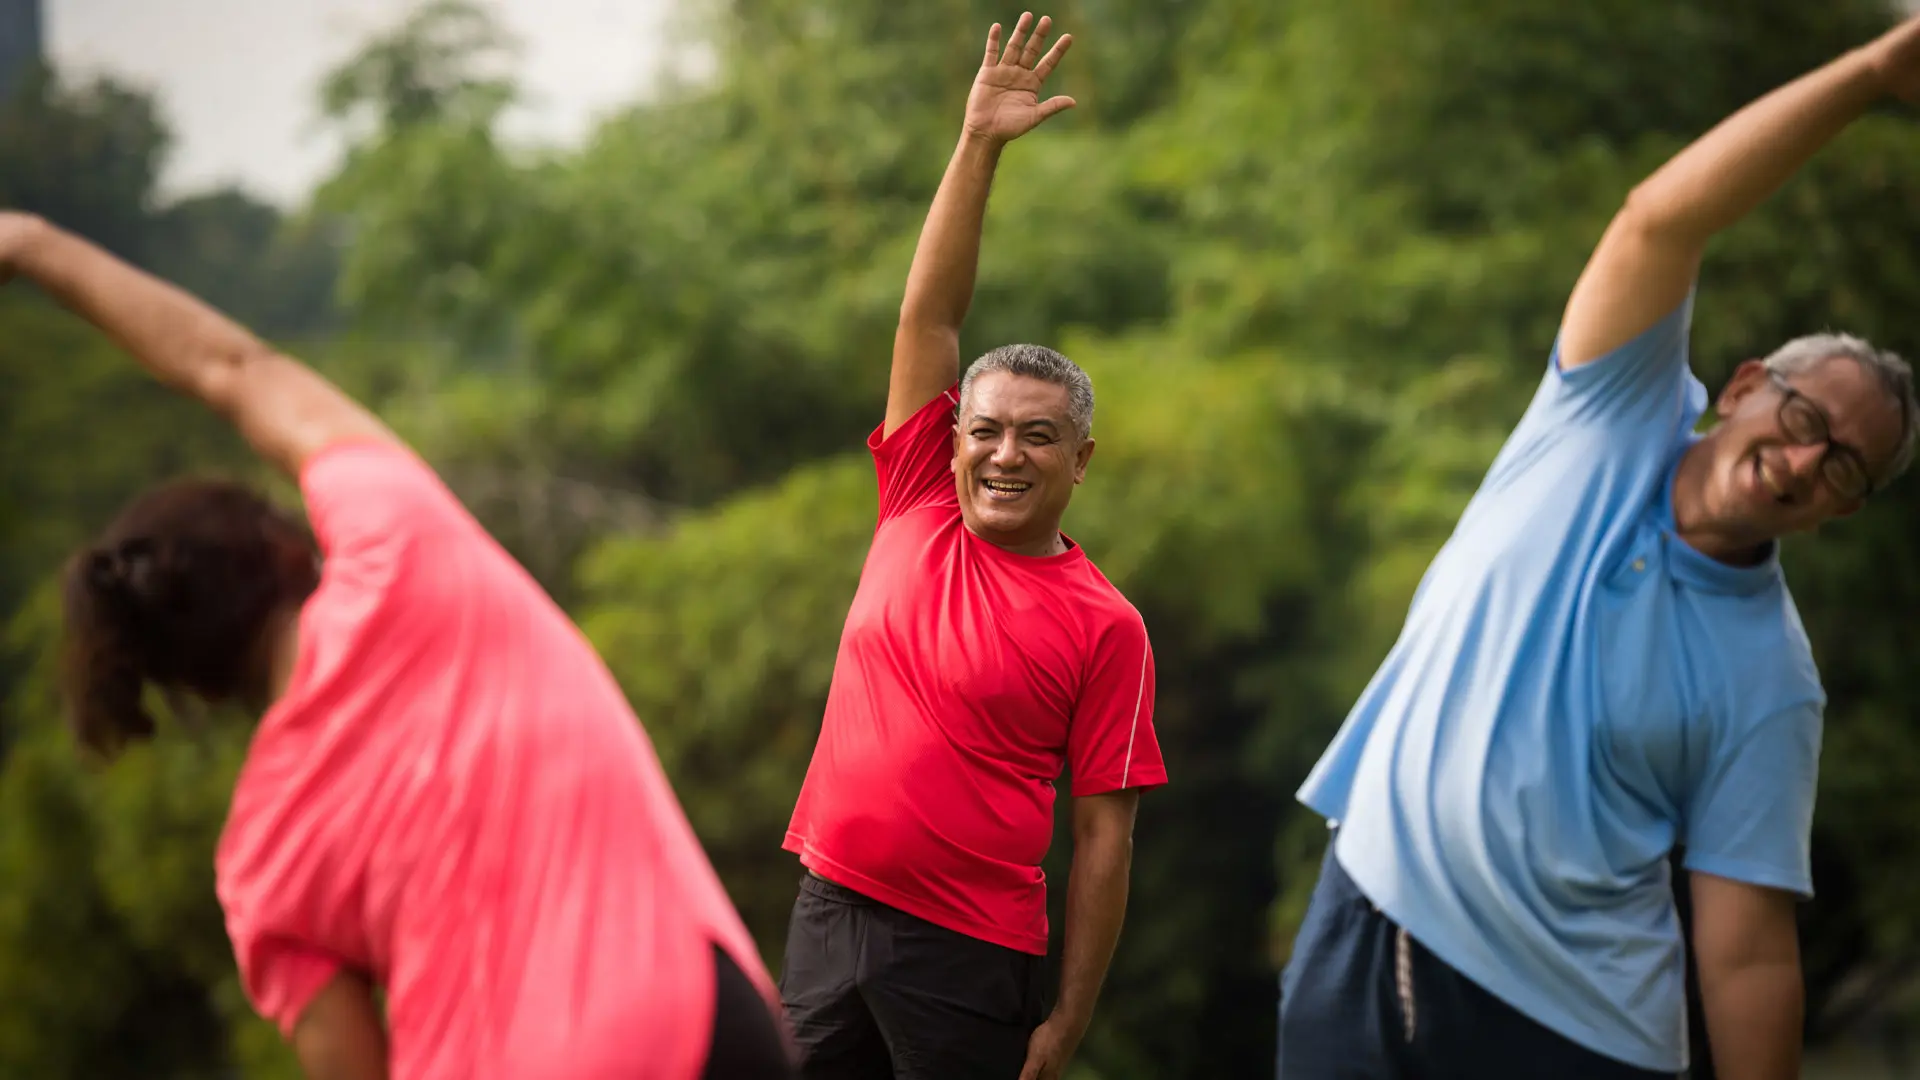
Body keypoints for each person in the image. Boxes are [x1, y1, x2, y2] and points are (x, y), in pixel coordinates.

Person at [0, 210, 796, 1080]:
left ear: (186, 681)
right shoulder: (399, 547)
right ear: (277, 543)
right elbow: (230, 369)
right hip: (673, 1027)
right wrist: (34, 244)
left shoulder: (259, 855)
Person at [1278, 15, 1920, 1080]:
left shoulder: (1772, 678)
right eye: (1808, 421)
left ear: (1838, 511)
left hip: (1573, 1037)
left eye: (1844, 468)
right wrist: (1871, 75)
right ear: (1751, 385)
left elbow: (1749, 951)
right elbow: (1658, 221)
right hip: (1368, 939)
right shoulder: (1607, 413)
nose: (1809, 462)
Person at [776, 13, 1166, 1080]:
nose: (1005, 454)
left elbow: (1102, 844)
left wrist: (1068, 1020)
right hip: (827, 910)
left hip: (970, 957)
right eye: (984, 431)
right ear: (948, 442)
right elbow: (927, 319)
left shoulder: (1107, 625)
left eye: (1038, 437)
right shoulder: (914, 499)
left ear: (1079, 461)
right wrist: (977, 145)